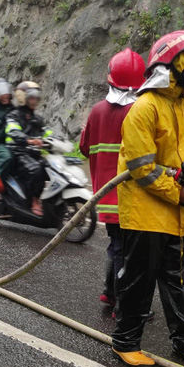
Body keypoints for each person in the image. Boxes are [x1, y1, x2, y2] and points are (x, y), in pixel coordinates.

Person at [112, 30, 184, 367]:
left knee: (176, 280)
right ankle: (126, 342)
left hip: (176, 216)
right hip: (145, 212)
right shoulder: (144, 108)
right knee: (138, 281)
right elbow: (141, 167)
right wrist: (179, 191)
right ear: (169, 66)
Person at [79, 48, 145, 309]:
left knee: (116, 246)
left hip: (104, 195)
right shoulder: (138, 111)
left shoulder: (96, 111)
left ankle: (109, 291)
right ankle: (123, 303)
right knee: (127, 252)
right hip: (129, 197)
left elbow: (85, 148)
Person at [5, 81, 52, 216]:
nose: (34, 101)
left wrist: (58, 140)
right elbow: (13, 131)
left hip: (33, 154)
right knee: (36, 169)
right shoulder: (13, 115)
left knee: (50, 166)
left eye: (36, 97)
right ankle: (34, 200)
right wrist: (28, 140)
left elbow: (47, 131)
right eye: (31, 97)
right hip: (17, 153)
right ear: (22, 98)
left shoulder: (37, 117)